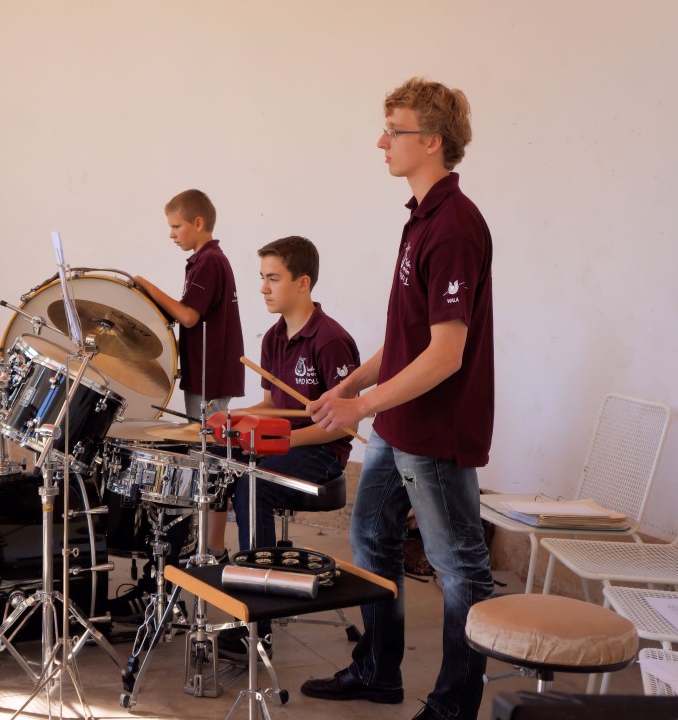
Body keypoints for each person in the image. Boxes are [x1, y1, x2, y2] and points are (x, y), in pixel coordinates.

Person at [300, 77, 495, 720]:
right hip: (397, 422)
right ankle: (378, 670)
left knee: (459, 567)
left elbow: (445, 355)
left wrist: (361, 407)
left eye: (394, 131)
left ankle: (453, 706)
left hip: (433, 428)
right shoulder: (421, 218)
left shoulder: (454, 227)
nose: (381, 142)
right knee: (370, 537)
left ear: (431, 141)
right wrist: (350, 386)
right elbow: (406, 339)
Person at [216, 235, 360, 663]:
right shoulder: (273, 337)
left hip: (321, 453)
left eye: (273, 278)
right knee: (215, 462)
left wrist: (281, 441)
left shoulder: (330, 340)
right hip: (283, 445)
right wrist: (234, 417)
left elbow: (347, 425)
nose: (263, 288)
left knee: (253, 484)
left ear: (303, 282)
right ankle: (210, 568)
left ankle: (257, 624)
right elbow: (272, 405)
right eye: (262, 277)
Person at [110, 190, 244, 622]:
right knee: (205, 460)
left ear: (199, 223)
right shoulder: (205, 261)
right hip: (205, 375)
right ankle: (204, 548)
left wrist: (147, 286)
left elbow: (189, 316)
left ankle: (210, 550)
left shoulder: (209, 261)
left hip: (210, 379)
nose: (171, 234)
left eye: (176, 226)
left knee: (208, 463)